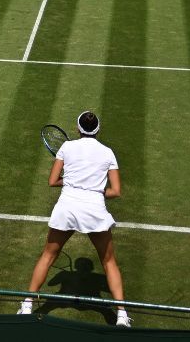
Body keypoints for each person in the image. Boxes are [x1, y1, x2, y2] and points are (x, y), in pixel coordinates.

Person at [20, 111, 128, 326]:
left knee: (48, 256)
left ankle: (26, 305)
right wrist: (94, 190)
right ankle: (122, 316)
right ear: (97, 129)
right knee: (109, 262)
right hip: (94, 210)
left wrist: (70, 181)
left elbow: (52, 181)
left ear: (78, 129)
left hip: (67, 208)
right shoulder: (107, 153)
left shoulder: (66, 148)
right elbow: (115, 191)